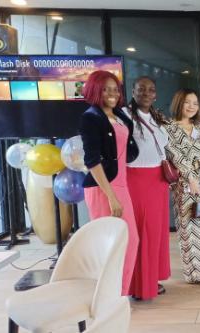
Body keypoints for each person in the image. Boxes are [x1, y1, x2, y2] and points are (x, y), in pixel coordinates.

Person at [79, 70, 139, 296]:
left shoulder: (118, 116)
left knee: (128, 240)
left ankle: (117, 294)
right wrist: (111, 196)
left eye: (115, 89)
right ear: (95, 90)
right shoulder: (91, 117)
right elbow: (92, 161)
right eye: (106, 88)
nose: (112, 93)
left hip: (120, 184)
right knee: (111, 243)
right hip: (104, 187)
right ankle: (108, 296)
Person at [123, 76, 171, 300]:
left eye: (150, 90)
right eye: (141, 89)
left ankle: (151, 278)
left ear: (155, 94)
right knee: (143, 232)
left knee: (156, 233)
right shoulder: (124, 116)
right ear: (132, 91)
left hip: (158, 181)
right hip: (137, 180)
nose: (146, 93)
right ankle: (140, 286)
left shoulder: (156, 116)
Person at [165, 89, 200, 289]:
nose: (191, 107)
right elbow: (173, 155)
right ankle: (193, 272)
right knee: (188, 229)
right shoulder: (169, 128)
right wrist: (190, 177)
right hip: (183, 187)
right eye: (187, 102)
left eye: (195, 103)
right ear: (179, 102)